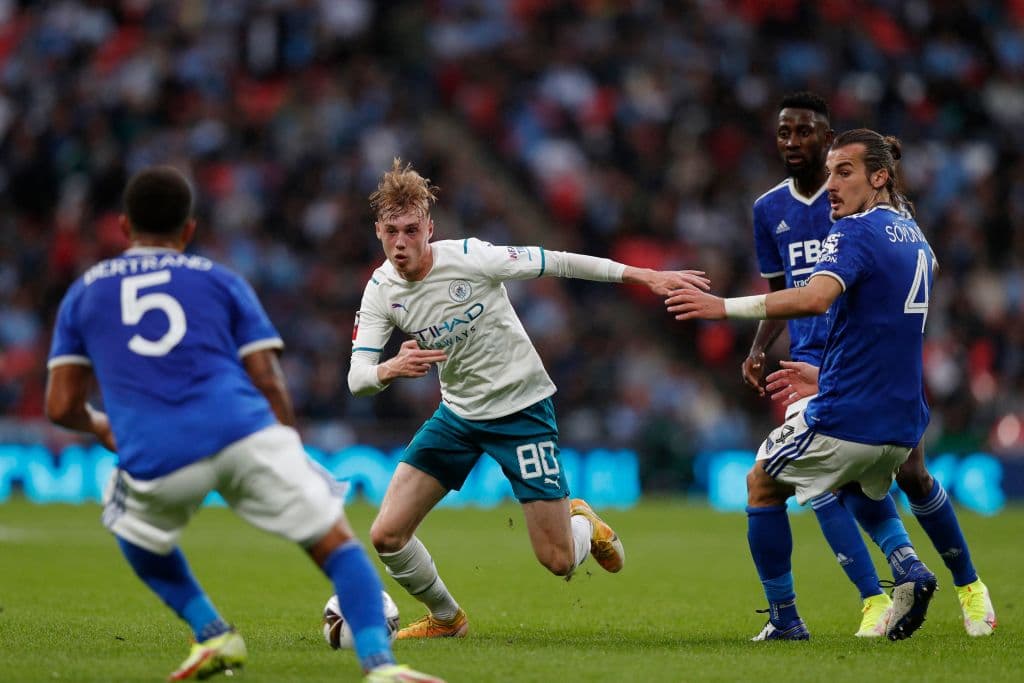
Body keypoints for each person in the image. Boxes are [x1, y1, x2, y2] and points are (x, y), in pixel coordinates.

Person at [45, 166, 443, 683]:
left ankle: (212, 634)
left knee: (131, 529)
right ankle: (380, 666)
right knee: (336, 544)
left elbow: (60, 406)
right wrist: (286, 445)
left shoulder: (85, 293)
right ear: (188, 231)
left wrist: (101, 426)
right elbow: (268, 376)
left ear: (123, 228)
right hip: (243, 430)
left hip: (157, 448)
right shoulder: (219, 279)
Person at [348, 158, 710, 638]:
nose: (400, 243)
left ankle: (586, 525)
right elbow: (357, 379)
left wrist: (644, 276)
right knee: (386, 534)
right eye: (391, 231)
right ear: (378, 231)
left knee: (558, 561)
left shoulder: (473, 258)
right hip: (457, 415)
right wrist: (390, 369)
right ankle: (447, 619)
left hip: (521, 410)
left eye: (411, 229)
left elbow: (558, 261)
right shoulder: (380, 291)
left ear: (429, 228)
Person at [667, 129, 942, 641]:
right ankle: (906, 564)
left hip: (850, 415)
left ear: (878, 177)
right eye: (830, 173)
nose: (831, 186)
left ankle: (786, 620)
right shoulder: (916, 238)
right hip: (903, 426)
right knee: (849, 479)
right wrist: (829, 372)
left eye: (845, 173)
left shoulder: (853, 232)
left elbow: (814, 299)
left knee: (762, 484)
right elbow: (886, 327)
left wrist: (722, 308)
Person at [744, 93, 995, 638]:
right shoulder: (771, 209)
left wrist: (722, 309)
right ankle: (894, 589)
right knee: (847, 477)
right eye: (784, 133)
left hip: (863, 358)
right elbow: (778, 286)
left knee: (901, 474)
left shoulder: (866, 217)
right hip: (819, 357)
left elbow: (825, 294)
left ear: (829, 138)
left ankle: (948, 587)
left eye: (806, 133)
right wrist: (761, 345)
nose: (794, 143)